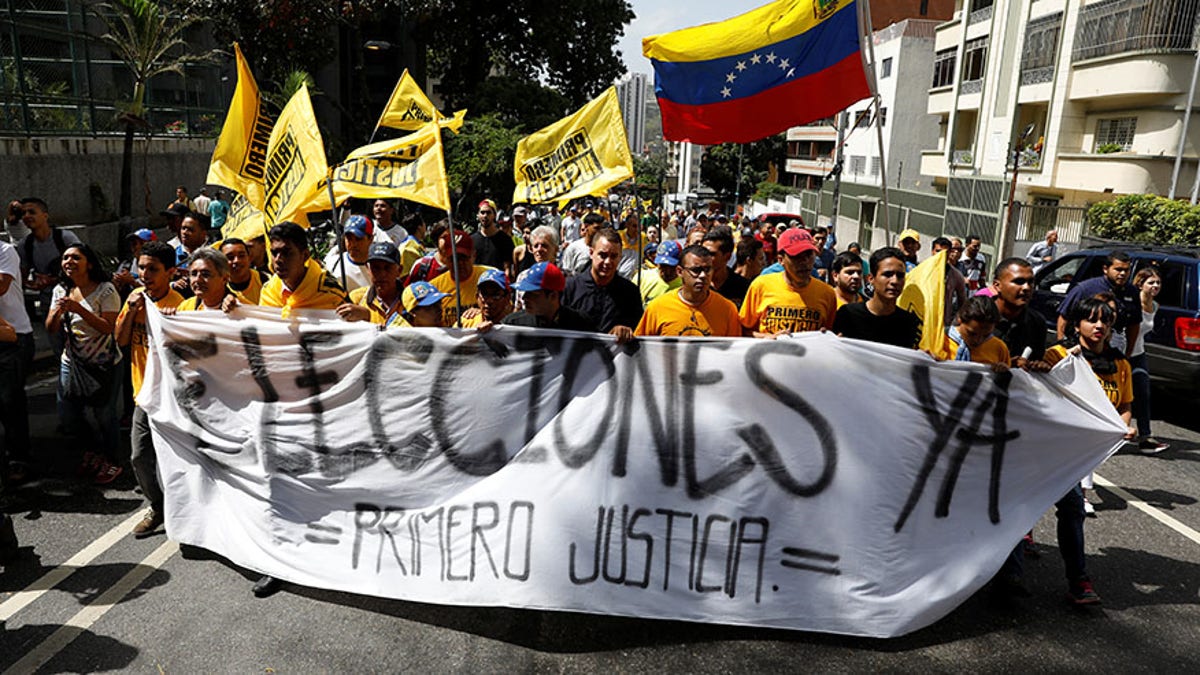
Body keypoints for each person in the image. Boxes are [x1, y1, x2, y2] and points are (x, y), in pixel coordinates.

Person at [1042, 296, 1139, 605]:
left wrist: (1125, 426)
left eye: (1106, 321)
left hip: (1078, 457)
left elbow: (1123, 406)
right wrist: (1060, 363)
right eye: (1092, 320)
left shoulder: (1120, 364)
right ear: (1076, 324)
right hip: (1047, 449)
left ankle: (1078, 582)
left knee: (1071, 511)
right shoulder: (1058, 354)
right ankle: (1011, 572)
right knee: (1028, 506)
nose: (1099, 326)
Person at [114, 241, 183, 537]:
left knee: (181, 459)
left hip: (174, 398)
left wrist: (170, 324)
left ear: (170, 272)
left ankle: (186, 510)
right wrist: (130, 312)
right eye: (141, 267)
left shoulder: (181, 304)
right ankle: (157, 505)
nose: (144, 274)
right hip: (144, 395)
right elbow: (120, 340)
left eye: (153, 269)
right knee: (139, 456)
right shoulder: (134, 298)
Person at [46, 243, 123, 484]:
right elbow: (51, 328)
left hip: (104, 363)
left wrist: (79, 309)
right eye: (65, 258)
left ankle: (111, 459)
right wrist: (57, 313)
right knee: (68, 414)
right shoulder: (61, 289)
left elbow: (108, 327)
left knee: (104, 415)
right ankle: (91, 451)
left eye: (75, 258)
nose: (69, 262)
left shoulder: (105, 290)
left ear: (88, 263)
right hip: (73, 362)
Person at [740, 229, 837, 337]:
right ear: (781, 260)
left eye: (809, 255)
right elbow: (743, 330)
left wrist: (826, 335)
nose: (804, 262)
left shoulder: (827, 294)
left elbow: (831, 335)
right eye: (797, 257)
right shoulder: (760, 286)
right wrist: (768, 338)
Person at [635, 245, 741, 337]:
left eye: (707, 269)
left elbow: (734, 353)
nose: (703, 275)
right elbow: (641, 349)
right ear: (680, 272)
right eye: (696, 270)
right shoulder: (657, 308)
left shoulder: (728, 310)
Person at [561, 227, 642, 343]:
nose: (608, 262)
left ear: (620, 257)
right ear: (591, 253)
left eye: (613, 256)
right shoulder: (569, 288)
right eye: (603, 255)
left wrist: (624, 331)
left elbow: (639, 332)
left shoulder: (630, 293)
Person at [831, 247, 919, 348]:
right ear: (871, 279)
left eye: (900, 276)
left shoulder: (908, 322)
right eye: (888, 274)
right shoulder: (848, 314)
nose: (895, 281)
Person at [1056, 250, 1139, 355]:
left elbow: (1134, 324)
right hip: (1083, 347)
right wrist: (1062, 347)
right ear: (1105, 269)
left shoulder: (1132, 292)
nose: (1123, 274)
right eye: (1118, 269)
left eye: (1126, 270)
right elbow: (1064, 318)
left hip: (1113, 348)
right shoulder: (1085, 289)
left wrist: (1128, 353)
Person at [259, 222, 350, 317]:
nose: (278, 259)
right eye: (274, 253)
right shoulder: (268, 293)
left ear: (305, 255)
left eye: (286, 253)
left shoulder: (331, 293)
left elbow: (354, 327)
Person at [0, 237, 33, 485]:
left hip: (14, 338)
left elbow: (1, 285)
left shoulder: (5, 251)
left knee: (10, 401)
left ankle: (18, 459)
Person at [15, 197, 81, 320]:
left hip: (74, 298)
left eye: (32, 212)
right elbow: (21, 275)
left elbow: (82, 267)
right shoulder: (25, 245)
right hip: (48, 302)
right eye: (23, 213)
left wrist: (53, 279)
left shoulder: (65, 238)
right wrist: (32, 284)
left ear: (45, 216)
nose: (27, 216)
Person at [1130, 268, 1169, 454]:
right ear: (1140, 284)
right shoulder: (1132, 302)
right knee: (1115, 396)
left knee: (1143, 392)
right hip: (1122, 354)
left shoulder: (1155, 306)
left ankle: (1145, 438)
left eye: (1158, 283)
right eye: (1151, 282)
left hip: (1138, 354)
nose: (1155, 286)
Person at [504, 262, 597, 331]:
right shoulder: (513, 324)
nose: (524, 298)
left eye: (532, 294)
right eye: (525, 292)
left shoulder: (580, 324)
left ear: (553, 296)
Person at [430, 229, 494, 327]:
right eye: (454, 259)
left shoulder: (490, 277)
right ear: (444, 259)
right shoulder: (434, 288)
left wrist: (483, 312)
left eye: (463, 257)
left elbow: (507, 309)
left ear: (473, 255)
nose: (459, 263)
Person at [339, 242, 406, 325]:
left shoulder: (411, 301)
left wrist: (369, 317)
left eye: (387, 268)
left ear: (399, 270)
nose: (382, 274)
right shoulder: (356, 299)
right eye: (376, 268)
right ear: (367, 269)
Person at [945, 296, 1010, 367]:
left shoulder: (999, 348)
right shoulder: (939, 341)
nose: (977, 340)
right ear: (959, 319)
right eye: (972, 334)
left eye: (986, 336)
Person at [321, 215, 374, 293]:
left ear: (370, 239)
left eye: (358, 239)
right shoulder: (333, 262)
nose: (353, 244)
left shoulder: (378, 267)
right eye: (349, 238)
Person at [703, 225, 750, 308]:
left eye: (712, 254)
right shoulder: (696, 285)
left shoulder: (743, 287)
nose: (704, 257)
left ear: (727, 256)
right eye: (703, 252)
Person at [931, 236, 969, 326]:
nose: (941, 255)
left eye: (945, 252)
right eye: (938, 251)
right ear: (932, 251)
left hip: (944, 324)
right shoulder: (922, 270)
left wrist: (955, 322)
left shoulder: (956, 276)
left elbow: (962, 302)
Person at [472, 199, 513, 277]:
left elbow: (508, 267)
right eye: (482, 212)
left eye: (488, 212)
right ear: (478, 215)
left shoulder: (505, 240)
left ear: (494, 215)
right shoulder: (472, 240)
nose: (485, 216)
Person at [222, 238, 270, 305]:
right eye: (230, 257)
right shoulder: (218, 288)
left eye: (241, 256)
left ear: (249, 258)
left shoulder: (267, 281)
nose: (237, 261)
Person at [406, 221, 453, 286]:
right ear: (436, 240)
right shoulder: (421, 266)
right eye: (444, 237)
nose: (449, 241)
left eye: (453, 237)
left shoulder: (466, 267)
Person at [112, 228, 155, 297]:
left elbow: (155, 291)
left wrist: (133, 282)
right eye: (134, 244)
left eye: (141, 243)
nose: (137, 247)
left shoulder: (158, 267)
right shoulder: (126, 265)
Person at [639, 240, 683, 306]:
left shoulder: (685, 285)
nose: (667, 271)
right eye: (663, 266)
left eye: (671, 267)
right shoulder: (642, 277)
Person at [617, 211, 647, 279]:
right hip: (620, 277)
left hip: (636, 278)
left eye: (639, 226)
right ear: (627, 225)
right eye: (634, 226)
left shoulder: (643, 238)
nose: (637, 229)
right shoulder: (618, 236)